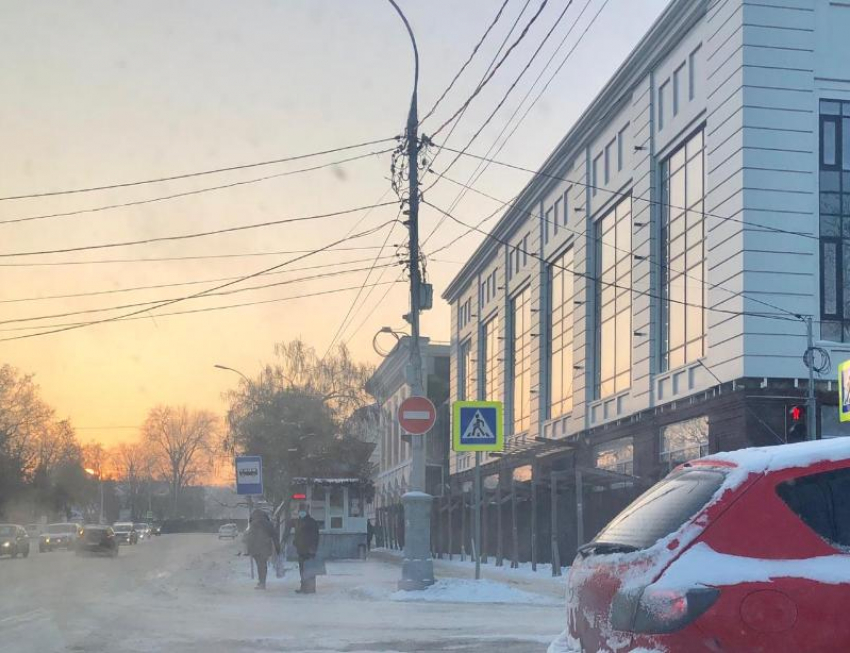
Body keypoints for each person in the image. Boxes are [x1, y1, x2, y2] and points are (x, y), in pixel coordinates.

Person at [246, 509, 279, 590]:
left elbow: (249, 538)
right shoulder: (268, 524)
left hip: (255, 549)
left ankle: (261, 582)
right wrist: (278, 547)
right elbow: (274, 535)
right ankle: (262, 582)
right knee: (263, 565)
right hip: (265, 548)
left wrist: (248, 549)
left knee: (259, 565)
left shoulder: (252, 524)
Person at [293, 506, 320, 594]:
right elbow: (298, 534)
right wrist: (295, 542)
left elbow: (315, 536)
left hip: (309, 550)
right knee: (302, 570)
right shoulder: (299, 522)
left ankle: (311, 588)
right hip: (301, 550)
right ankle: (304, 587)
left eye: (303, 511)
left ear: (307, 511)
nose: (301, 513)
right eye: (300, 511)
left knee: (309, 569)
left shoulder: (312, 522)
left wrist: (313, 548)